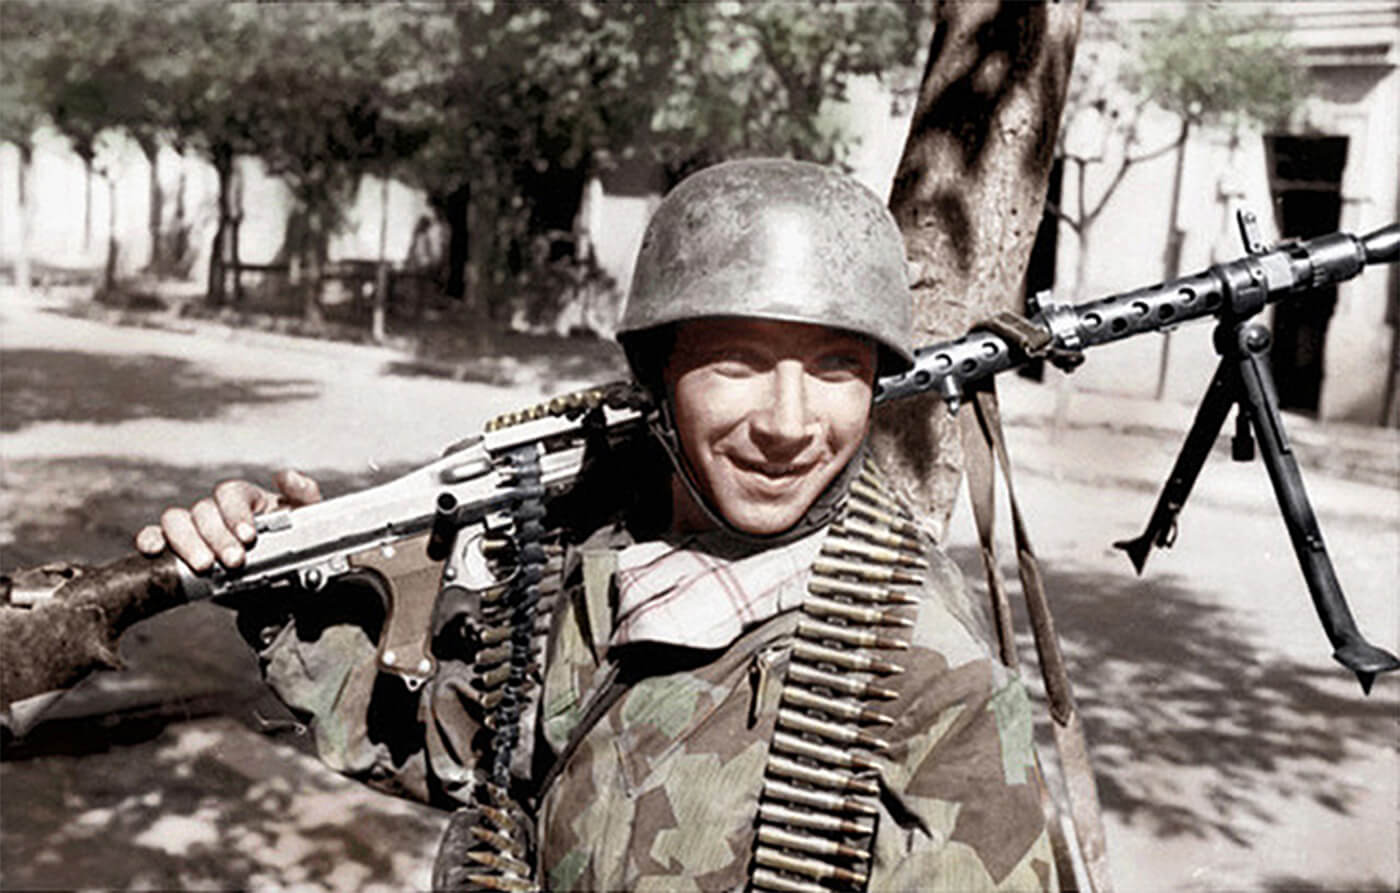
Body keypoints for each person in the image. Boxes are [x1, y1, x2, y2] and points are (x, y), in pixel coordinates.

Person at [138, 158, 1056, 891]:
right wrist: (281, 583)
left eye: (835, 365)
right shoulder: (595, 555)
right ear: (657, 376)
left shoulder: (933, 677)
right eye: (736, 362)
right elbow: (457, 754)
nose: (788, 421)